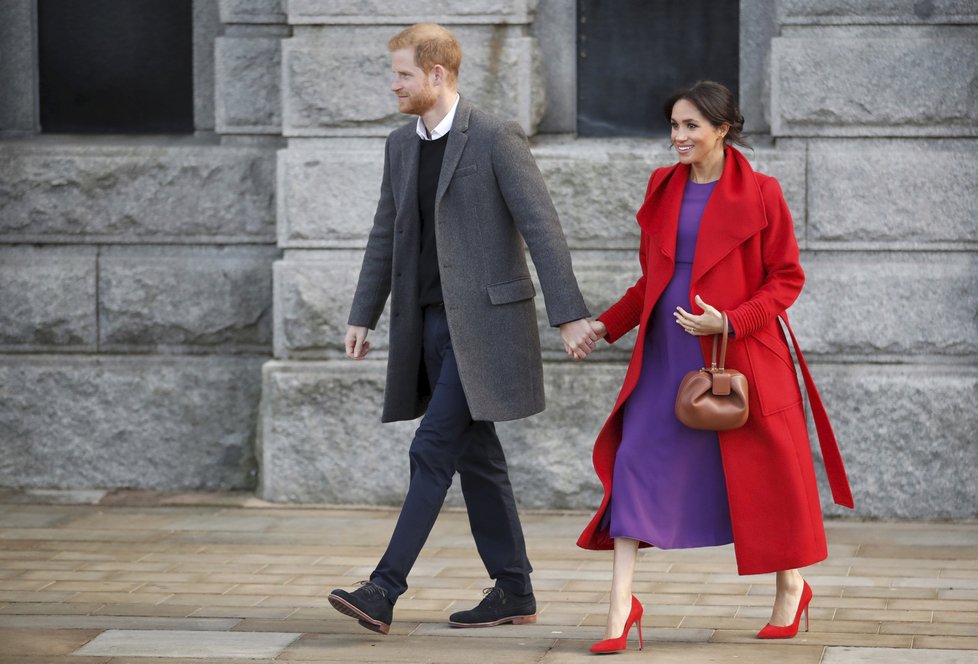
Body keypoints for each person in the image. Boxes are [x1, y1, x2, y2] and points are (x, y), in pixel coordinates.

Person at [328, 23, 596, 636]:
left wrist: (569, 313)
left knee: (431, 449)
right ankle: (514, 589)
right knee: (477, 461)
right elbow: (384, 233)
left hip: (486, 329)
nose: (393, 84)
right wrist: (362, 313)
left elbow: (542, 227)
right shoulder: (399, 146)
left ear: (437, 75)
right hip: (426, 329)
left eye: (402, 74)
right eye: (394, 73)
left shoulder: (496, 137)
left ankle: (383, 588)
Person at [577, 80, 854, 654]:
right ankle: (619, 608)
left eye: (690, 127)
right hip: (665, 357)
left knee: (767, 475)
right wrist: (604, 326)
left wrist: (730, 320)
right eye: (674, 126)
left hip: (743, 358)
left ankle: (791, 587)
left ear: (722, 129)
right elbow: (650, 282)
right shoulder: (662, 186)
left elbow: (786, 279)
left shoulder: (762, 192)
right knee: (634, 463)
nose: (678, 137)